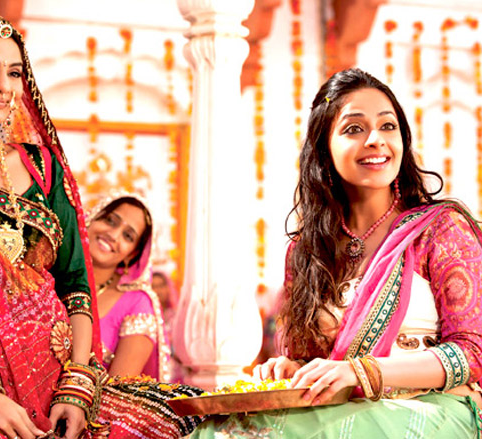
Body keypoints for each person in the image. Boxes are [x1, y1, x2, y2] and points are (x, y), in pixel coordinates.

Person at [0, 10, 202, 439]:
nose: (4, 86)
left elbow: (75, 283)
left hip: (59, 376)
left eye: (14, 73)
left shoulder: (42, 167)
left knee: (191, 413)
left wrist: (77, 385)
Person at [191, 68, 482, 438]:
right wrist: (291, 368)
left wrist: (361, 371)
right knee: (215, 431)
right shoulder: (307, 251)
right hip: (342, 408)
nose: (375, 140)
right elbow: (316, 361)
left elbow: (473, 353)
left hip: (435, 408)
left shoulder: (440, 230)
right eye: (354, 128)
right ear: (324, 149)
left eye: (388, 126)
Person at [86, 192, 170, 381]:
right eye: (110, 221)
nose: (113, 235)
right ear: (91, 218)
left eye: (128, 236)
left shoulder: (137, 303)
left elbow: (118, 390)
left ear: (132, 254)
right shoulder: (50, 273)